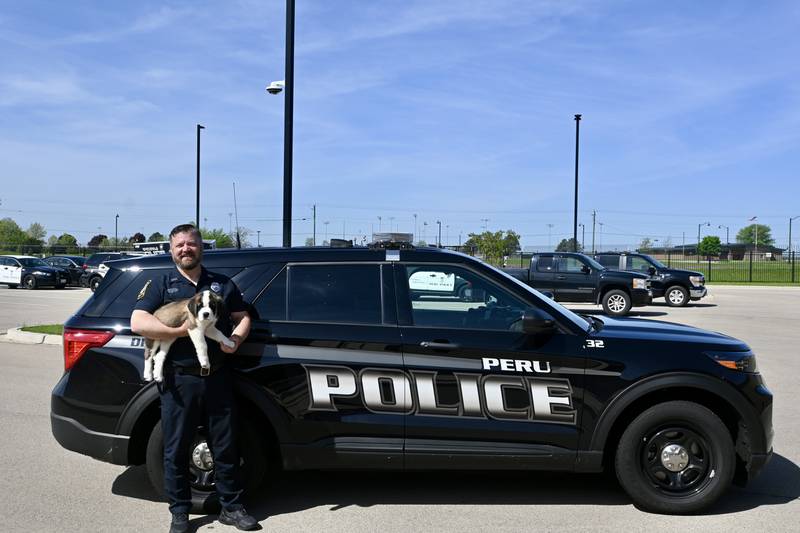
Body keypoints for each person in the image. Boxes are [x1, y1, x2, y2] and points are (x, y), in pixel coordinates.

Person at [131, 224, 258, 533]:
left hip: (217, 376)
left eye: (191, 244)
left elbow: (243, 318)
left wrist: (236, 340)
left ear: (201, 248)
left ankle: (232, 507)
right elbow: (138, 321)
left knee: (225, 445)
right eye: (179, 245)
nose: (185, 249)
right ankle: (180, 512)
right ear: (171, 250)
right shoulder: (160, 284)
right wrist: (177, 332)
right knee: (176, 447)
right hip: (179, 380)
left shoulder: (222, 285)